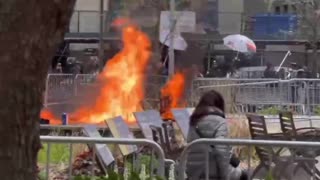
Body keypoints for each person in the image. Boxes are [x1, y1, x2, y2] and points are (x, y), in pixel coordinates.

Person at [186, 90, 248, 180]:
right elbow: (221, 151)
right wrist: (227, 175)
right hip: (212, 172)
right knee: (245, 174)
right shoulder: (220, 122)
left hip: (193, 173)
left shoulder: (193, 122)